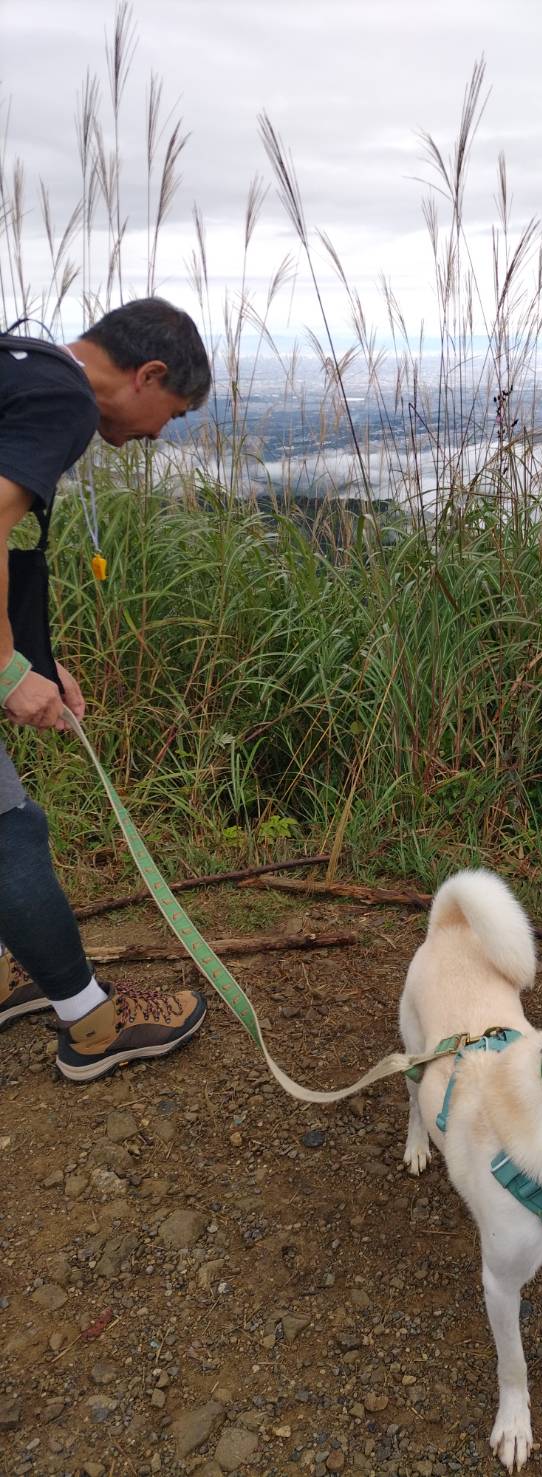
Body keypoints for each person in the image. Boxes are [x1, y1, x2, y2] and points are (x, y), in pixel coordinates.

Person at [0, 297, 211, 1080]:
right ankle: (91, 1024)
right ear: (147, 374)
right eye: (173, 412)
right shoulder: (65, 397)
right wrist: (5, 669)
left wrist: (30, 656)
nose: (160, 434)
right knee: (8, 830)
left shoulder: (21, 368)